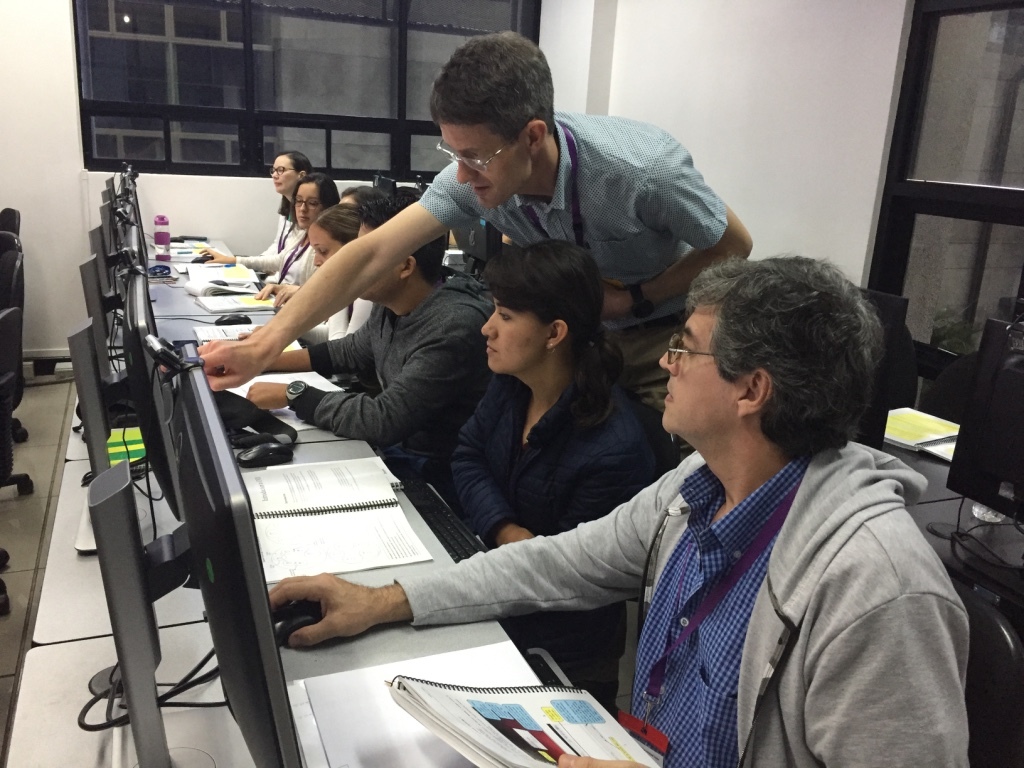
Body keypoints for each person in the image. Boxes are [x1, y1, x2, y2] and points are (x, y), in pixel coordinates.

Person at [268, 256, 970, 768]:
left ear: (751, 390)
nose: (664, 363)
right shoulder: (698, 485)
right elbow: (558, 562)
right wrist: (383, 601)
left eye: (683, 349)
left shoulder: (879, 591)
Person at [200, 32, 753, 412]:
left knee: (649, 471)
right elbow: (369, 253)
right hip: (576, 333)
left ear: (532, 137)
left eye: (477, 157)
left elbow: (734, 245)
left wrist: (635, 298)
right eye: (451, 153)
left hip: (657, 332)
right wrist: (266, 345)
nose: (462, 177)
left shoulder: (642, 172)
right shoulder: (483, 176)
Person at [454, 239, 656, 709]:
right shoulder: (511, 383)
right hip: (500, 594)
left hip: (561, 655)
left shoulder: (612, 448)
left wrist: (507, 547)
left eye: (505, 316)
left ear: (554, 333)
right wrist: (506, 530)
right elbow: (467, 454)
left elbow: (569, 582)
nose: (487, 328)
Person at [245, 190, 492, 500]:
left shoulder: (452, 324)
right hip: (405, 455)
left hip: (440, 478)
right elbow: (349, 351)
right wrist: (264, 358)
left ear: (405, 266)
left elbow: (384, 419)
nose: (350, 265)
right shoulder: (394, 302)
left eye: (365, 256)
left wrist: (293, 394)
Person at [199, 150, 312, 265]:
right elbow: (277, 245)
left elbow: (286, 259)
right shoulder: (286, 209)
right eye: (273, 170)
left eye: (281, 170)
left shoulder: (306, 215)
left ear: (301, 175)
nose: (274, 175)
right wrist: (257, 264)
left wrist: (239, 261)